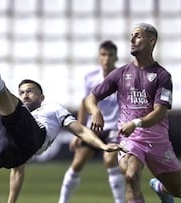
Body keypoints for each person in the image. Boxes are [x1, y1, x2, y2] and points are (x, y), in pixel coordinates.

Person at [0, 9, 123, 203]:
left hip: (36, 135)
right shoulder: (18, 119)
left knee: (0, 91)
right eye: (22, 92)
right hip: (13, 145)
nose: (25, 95)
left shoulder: (53, 109)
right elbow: (17, 172)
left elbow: (81, 130)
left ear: (42, 96)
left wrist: (102, 145)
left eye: (30, 91)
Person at [84, 23, 181, 203]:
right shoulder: (120, 73)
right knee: (131, 176)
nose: (132, 39)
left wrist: (136, 123)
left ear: (151, 41)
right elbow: (90, 98)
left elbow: (160, 112)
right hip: (131, 139)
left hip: (157, 140)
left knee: (178, 191)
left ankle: (160, 188)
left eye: (138, 36)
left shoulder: (162, 76)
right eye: (131, 35)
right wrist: (95, 111)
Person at [58, 40, 125, 203]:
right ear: (99, 57)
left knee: (110, 159)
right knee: (77, 163)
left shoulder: (124, 78)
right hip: (93, 126)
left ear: (116, 57)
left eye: (110, 55)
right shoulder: (91, 77)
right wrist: (78, 130)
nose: (106, 58)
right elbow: (84, 102)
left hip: (114, 127)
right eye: (103, 55)